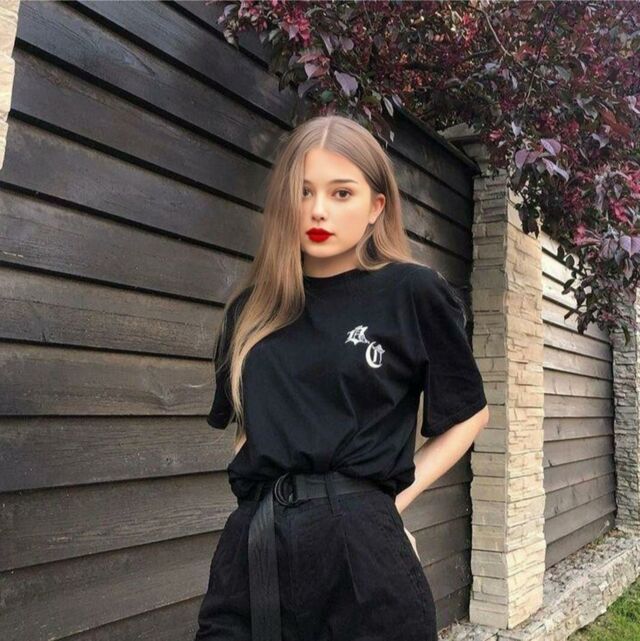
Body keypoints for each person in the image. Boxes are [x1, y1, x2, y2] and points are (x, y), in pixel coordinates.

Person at [193, 114, 489, 641]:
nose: (318, 210)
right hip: (255, 550)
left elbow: (470, 414)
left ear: (376, 206)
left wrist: (382, 510)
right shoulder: (252, 309)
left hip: (362, 553)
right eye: (303, 191)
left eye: (341, 192)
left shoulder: (412, 292)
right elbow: (246, 430)